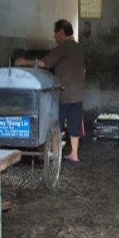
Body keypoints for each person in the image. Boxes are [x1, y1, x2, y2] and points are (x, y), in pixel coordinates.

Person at [15, 19, 85, 163]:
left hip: (64, 94)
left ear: (61, 32)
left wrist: (24, 62)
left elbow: (44, 63)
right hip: (77, 94)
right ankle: (74, 154)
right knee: (74, 125)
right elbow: (84, 71)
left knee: (55, 123)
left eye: (55, 33)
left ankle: (54, 152)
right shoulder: (78, 47)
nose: (54, 36)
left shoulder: (63, 47)